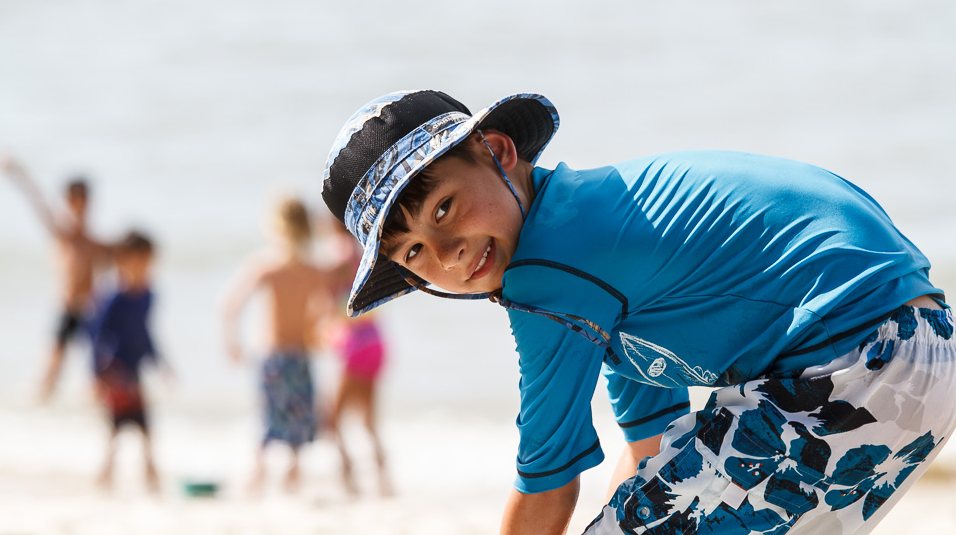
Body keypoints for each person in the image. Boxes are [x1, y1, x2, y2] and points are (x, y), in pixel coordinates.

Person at [320, 90, 956, 535]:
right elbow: (651, 449)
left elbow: (547, 482)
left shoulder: (551, 270)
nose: (447, 254)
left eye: (444, 209)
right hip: (919, 351)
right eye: (413, 252)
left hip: (856, 351)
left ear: (498, 150)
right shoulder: (611, 267)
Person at [223, 196, 333, 491]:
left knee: (269, 415)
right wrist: (316, 333)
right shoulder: (312, 270)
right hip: (299, 354)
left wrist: (232, 342)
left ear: (274, 227)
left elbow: (231, 305)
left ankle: (259, 472)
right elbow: (326, 311)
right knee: (298, 416)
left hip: (273, 355)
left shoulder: (266, 266)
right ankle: (291, 474)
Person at [0, 156, 111, 399]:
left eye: (84, 201)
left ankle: (94, 408)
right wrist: (17, 172)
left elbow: (122, 260)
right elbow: (36, 200)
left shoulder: (95, 242)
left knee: (100, 367)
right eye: (75, 201)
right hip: (67, 308)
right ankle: (37, 409)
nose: (80, 207)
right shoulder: (63, 234)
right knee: (52, 367)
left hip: (91, 310)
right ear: (68, 201)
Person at [89, 230, 165, 491]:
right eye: (140, 262)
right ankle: (106, 474)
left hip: (135, 369)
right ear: (122, 261)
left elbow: (146, 333)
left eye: (149, 263)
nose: (145, 268)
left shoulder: (148, 296)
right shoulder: (114, 298)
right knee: (116, 424)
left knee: (144, 423)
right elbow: (97, 335)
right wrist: (97, 374)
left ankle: (149, 472)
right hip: (115, 370)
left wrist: (160, 363)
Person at [324, 217, 391, 496]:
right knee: (368, 422)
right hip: (375, 340)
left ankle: (348, 477)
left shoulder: (337, 255)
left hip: (353, 345)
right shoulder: (364, 253)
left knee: (330, 419)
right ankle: (384, 480)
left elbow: (325, 299)